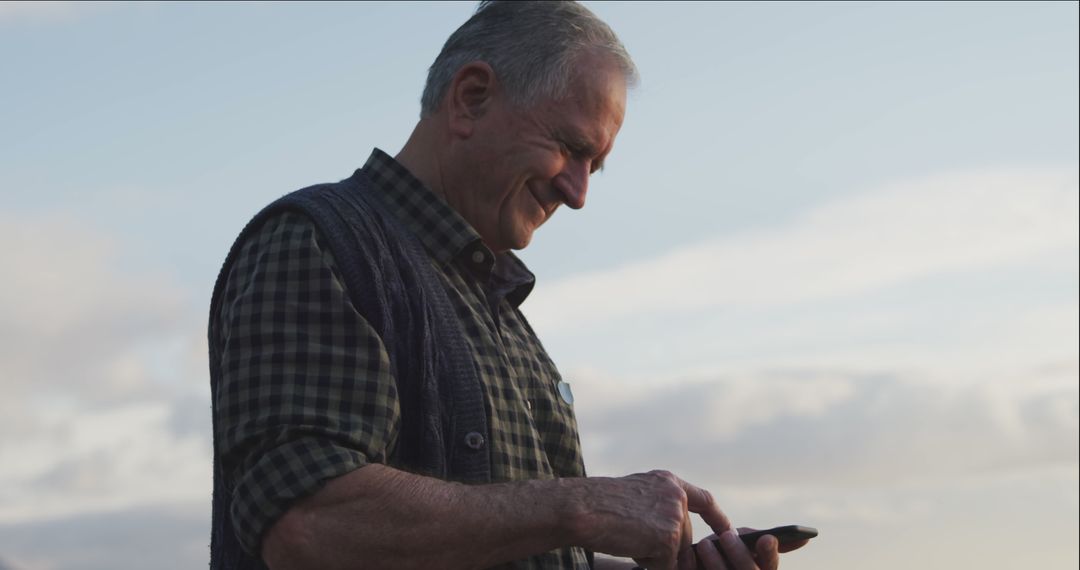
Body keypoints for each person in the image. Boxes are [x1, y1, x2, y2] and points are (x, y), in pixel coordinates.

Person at [208, 2, 806, 569]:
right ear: (470, 99)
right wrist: (584, 506)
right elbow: (307, 526)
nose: (578, 194)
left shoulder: (501, 313)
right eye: (571, 149)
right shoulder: (319, 243)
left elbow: (515, 550)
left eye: (594, 167)